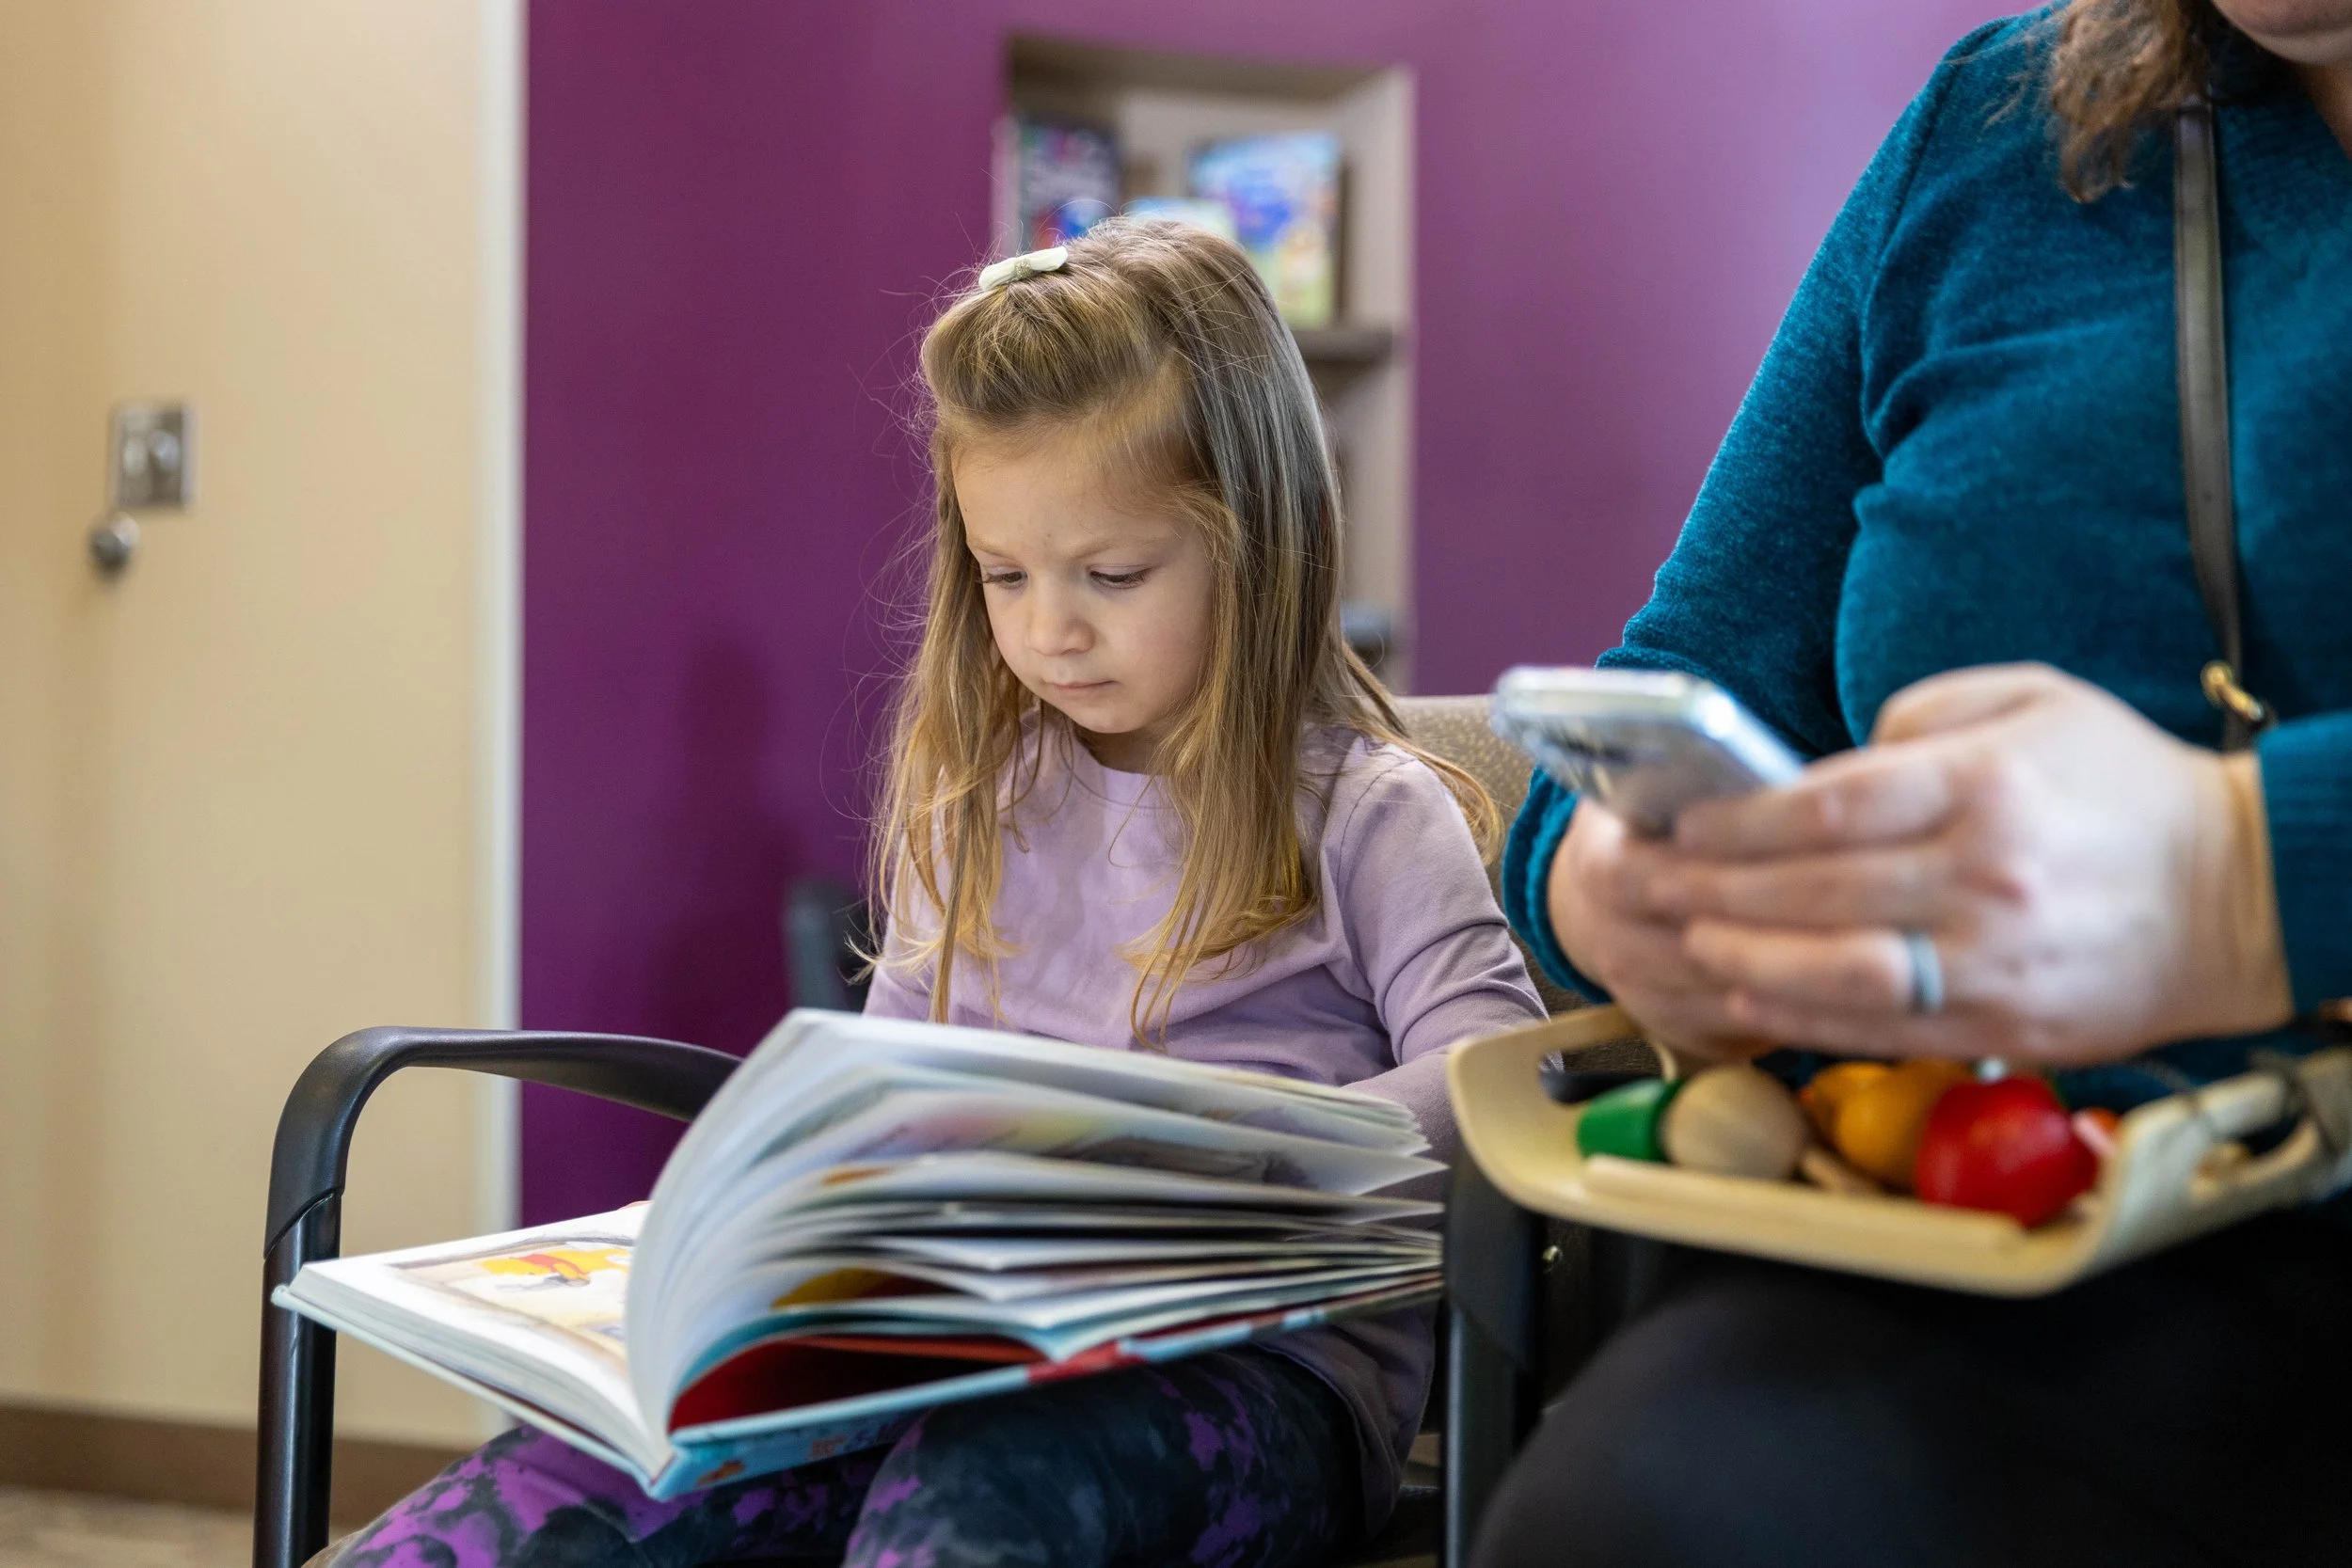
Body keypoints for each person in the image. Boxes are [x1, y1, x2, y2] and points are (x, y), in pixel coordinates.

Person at [326, 218, 1543, 1568]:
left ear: (1261, 541)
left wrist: (1232, 1148)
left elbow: (1497, 1075)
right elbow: (883, 1084)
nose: (1048, 629)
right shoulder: (980, 803)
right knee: (550, 1504)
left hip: (1255, 1379)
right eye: (1004, 574)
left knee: (977, 1510)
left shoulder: (1369, 809)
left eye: (1112, 575)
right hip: (947, 1343)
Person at [1473, 2, 2351, 1564]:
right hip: (1967, 1232)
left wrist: (2244, 875)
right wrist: (1610, 884)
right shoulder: (1997, 122)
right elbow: (1683, 680)